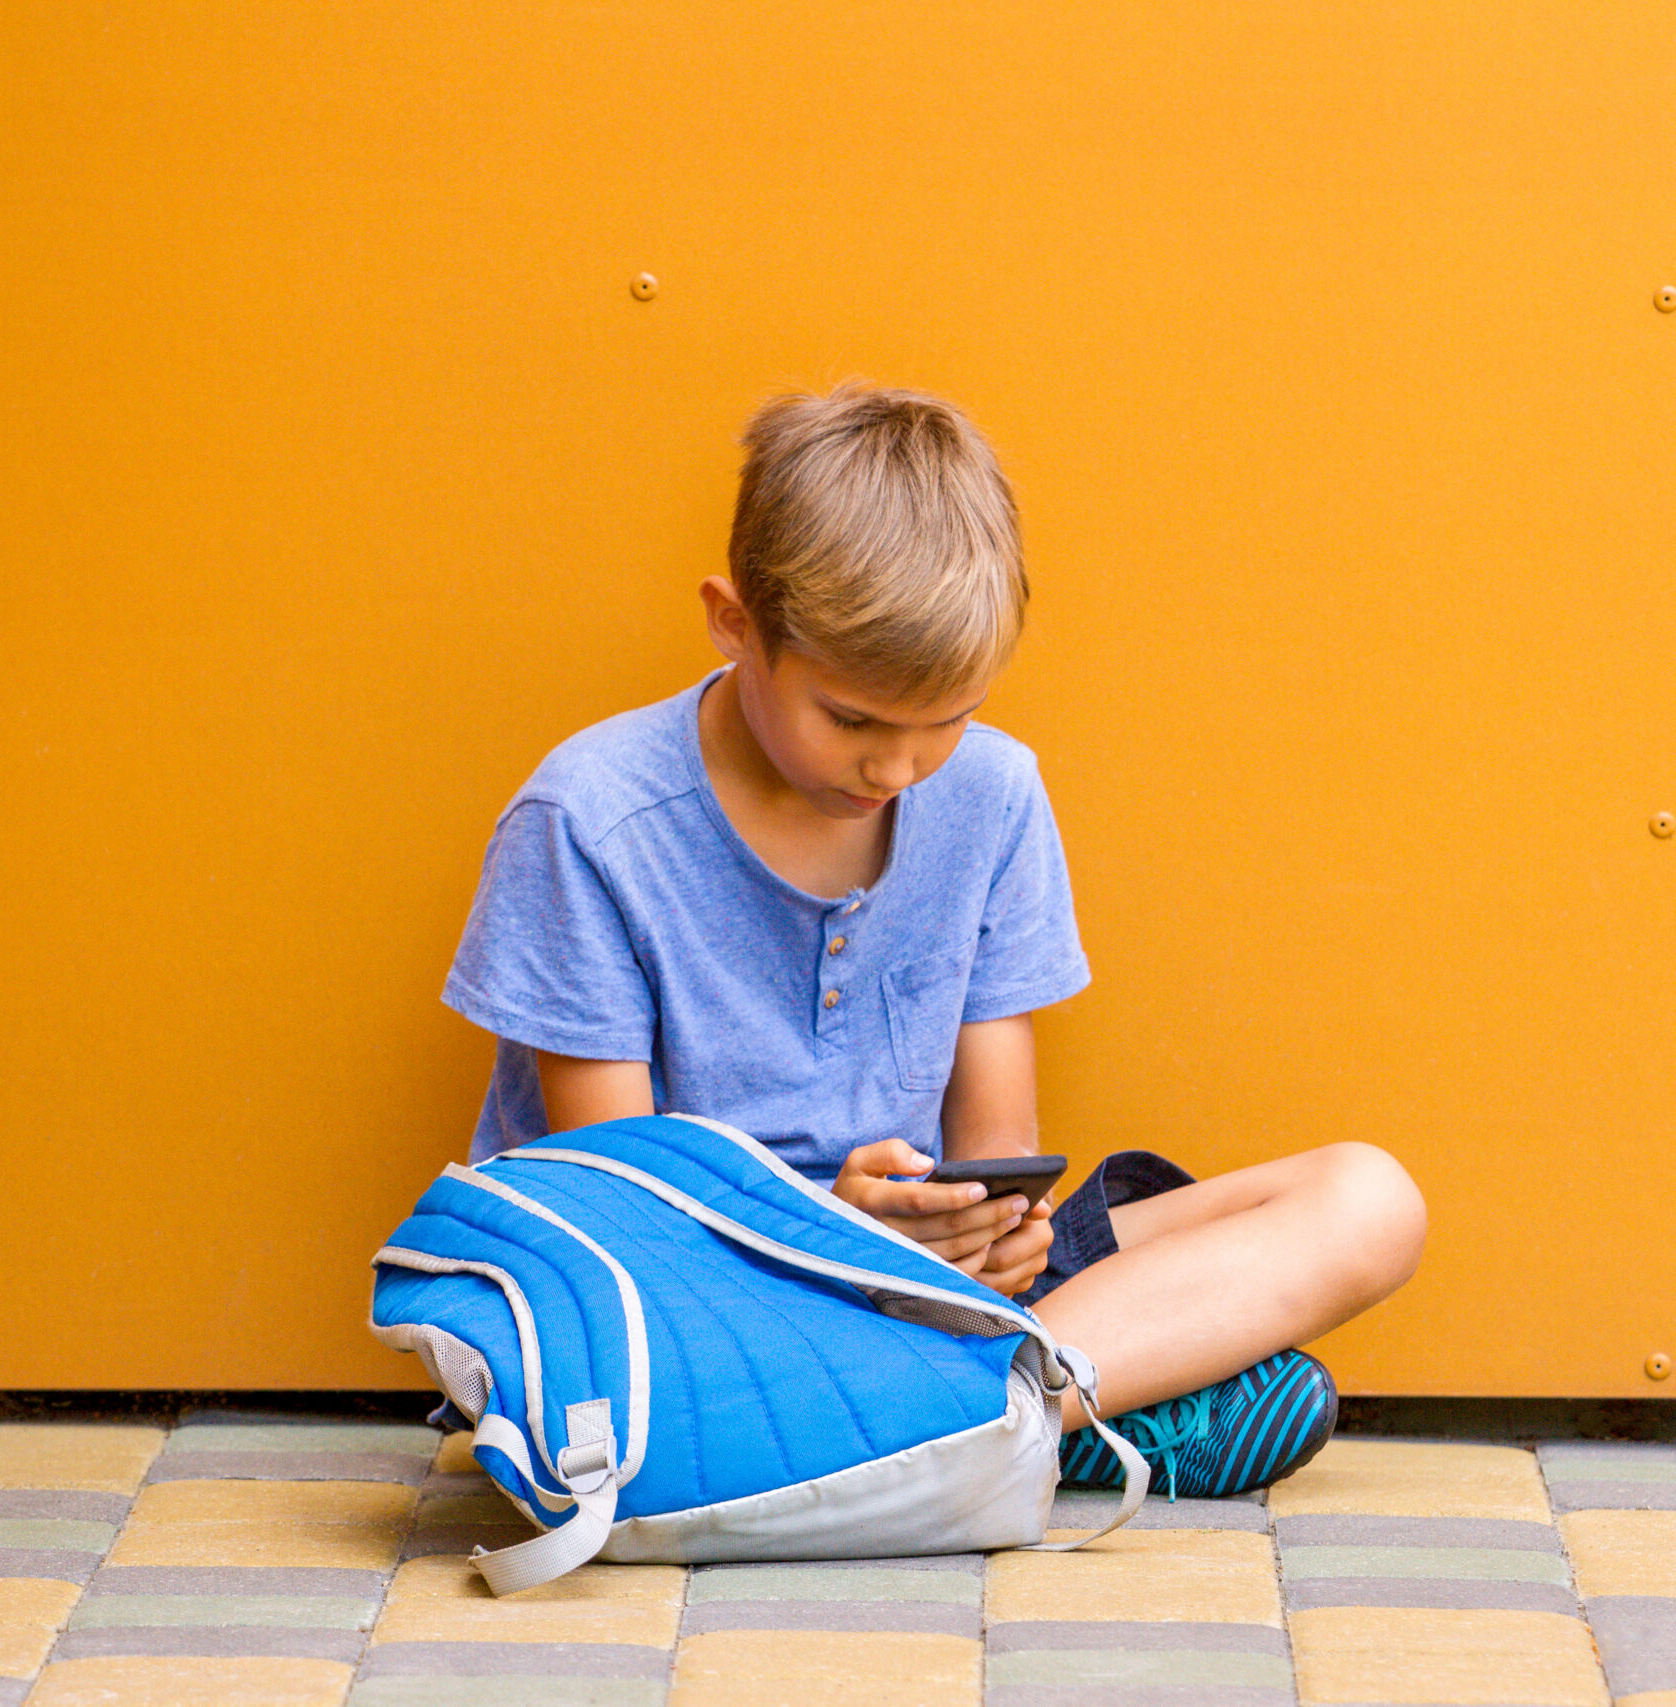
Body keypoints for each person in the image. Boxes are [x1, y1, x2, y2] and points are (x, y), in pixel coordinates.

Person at [443, 383, 1426, 1498]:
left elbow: (997, 1144)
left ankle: (953, 1424)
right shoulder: (590, 821)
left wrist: (993, 1235)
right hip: (687, 1300)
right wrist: (830, 1228)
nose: (897, 769)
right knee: (630, 1358)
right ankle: (1038, 1413)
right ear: (734, 623)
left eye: (945, 719)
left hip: (925, 1287)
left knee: (1369, 1198)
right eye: (853, 720)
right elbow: (615, 1209)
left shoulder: (995, 795)